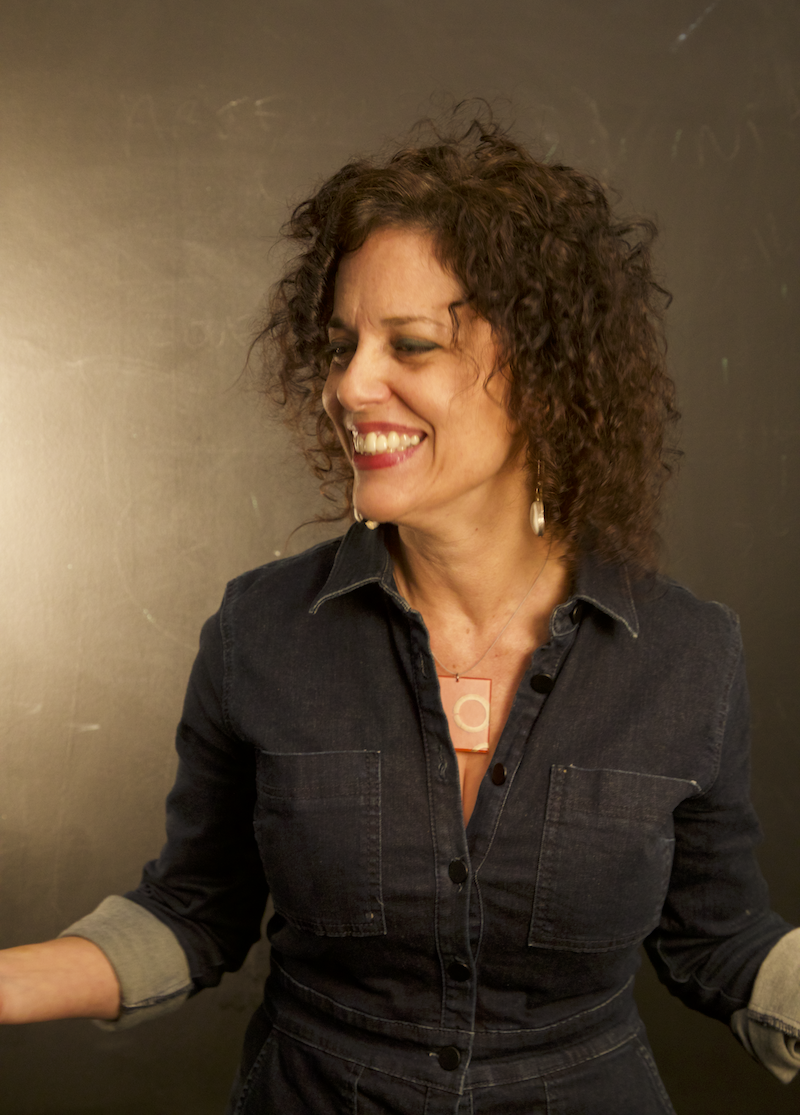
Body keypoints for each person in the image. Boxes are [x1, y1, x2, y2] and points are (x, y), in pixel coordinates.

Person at [1, 118, 799, 1113]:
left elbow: (717, 938)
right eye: (343, 344)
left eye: (408, 345)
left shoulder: (686, 652)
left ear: (543, 377)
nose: (347, 384)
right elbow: (195, 912)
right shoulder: (261, 631)